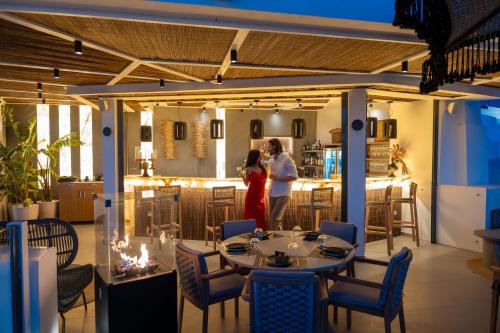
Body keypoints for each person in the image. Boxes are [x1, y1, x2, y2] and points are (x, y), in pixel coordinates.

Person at [267, 138, 298, 230]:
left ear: (275, 146)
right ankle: (279, 239)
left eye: (269, 146)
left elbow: (294, 176)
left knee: (274, 218)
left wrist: (278, 178)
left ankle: (272, 241)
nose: (268, 148)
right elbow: (272, 174)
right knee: (275, 219)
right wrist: (270, 175)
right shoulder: (271, 160)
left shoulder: (287, 159)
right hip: (272, 192)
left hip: (284, 192)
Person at [242, 149, 268, 230]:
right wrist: (242, 176)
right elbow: (246, 184)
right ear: (255, 157)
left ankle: (262, 236)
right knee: (251, 217)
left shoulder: (263, 167)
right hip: (252, 197)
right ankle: (250, 235)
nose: (261, 156)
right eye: (259, 155)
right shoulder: (248, 169)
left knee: (260, 216)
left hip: (261, 197)